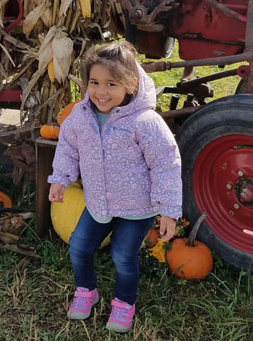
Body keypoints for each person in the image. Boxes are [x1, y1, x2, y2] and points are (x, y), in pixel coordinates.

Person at [48, 41, 182, 333]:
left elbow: (165, 164)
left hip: (136, 209)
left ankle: (124, 303)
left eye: (111, 83)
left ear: (131, 84)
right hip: (97, 203)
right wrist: (60, 178)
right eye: (94, 82)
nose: (101, 92)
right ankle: (86, 291)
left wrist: (168, 211)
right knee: (79, 246)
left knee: (123, 256)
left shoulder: (145, 122)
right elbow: (68, 148)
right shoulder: (79, 117)